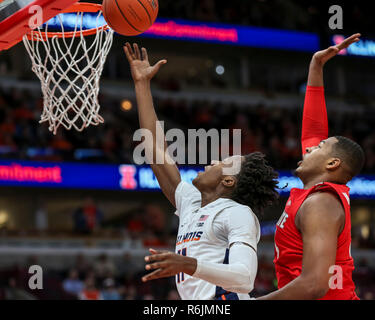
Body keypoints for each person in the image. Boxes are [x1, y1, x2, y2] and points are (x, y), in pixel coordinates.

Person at [124, 43, 279, 300]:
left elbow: (244, 278)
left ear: (229, 180)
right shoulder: (192, 202)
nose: (214, 161)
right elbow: (154, 150)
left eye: (222, 161)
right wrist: (141, 84)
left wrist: (188, 265)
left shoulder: (238, 213)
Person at [258, 34, 364, 300]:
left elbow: (315, 285)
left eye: (318, 148)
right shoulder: (318, 194)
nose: (308, 147)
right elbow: (314, 129)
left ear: (332, 164)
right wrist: (316, 66)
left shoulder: (321, 203)